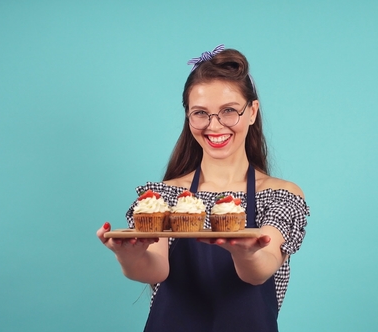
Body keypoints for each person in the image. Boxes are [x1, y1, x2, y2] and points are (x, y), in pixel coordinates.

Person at [96, 44, 310, 332]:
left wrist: (245, 252)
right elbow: (156, 269)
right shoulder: (163, 197)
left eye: (229, 111)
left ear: (252, 112)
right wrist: (129, 255)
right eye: (200, 113)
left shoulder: (280, 195)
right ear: (188, 116)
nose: (214, 125)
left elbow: (262, 268)